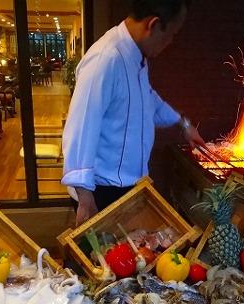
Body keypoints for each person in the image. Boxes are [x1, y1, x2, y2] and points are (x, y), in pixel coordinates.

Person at [62, 0, 206, 226]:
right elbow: (80, 127)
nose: (170, 42)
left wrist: (184, 124)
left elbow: (149, 99)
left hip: (130, 185)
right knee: (100, 249)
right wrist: (85, 197)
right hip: (101, 191)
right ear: (153, 25)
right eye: (171, 34)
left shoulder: (137, 57)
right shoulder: (106, 58)